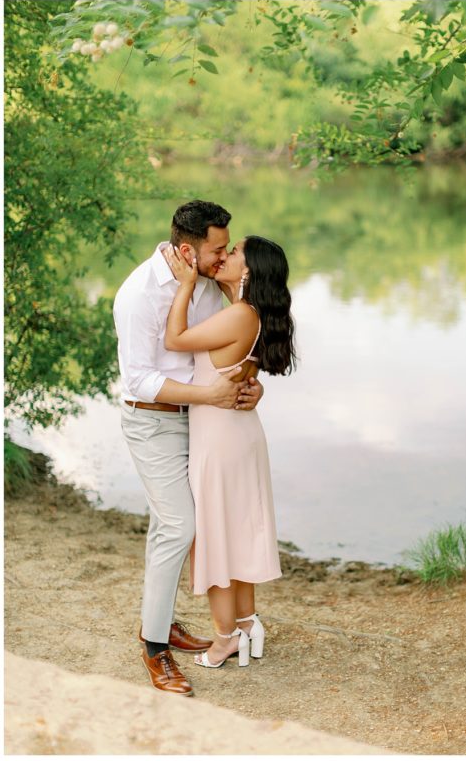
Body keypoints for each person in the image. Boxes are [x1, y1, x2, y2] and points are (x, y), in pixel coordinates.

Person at [112, 200, 264, 696]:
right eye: (217, 250)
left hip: (201, 424)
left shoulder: (208, 286)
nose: (223, 259)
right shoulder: (138, 295)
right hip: (153, 423)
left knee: (172, 526)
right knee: (180, 525)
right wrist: (211, 395)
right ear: (186, 249)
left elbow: (233, 347)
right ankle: (154, 648)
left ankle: (165, 622)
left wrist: (250, 384)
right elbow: (139, 380)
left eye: (226, 250)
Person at [163, 235, 296, 669]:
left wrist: (184, 284)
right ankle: (245, 623)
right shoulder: (251, 313)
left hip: (220, 440)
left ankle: (224, 641)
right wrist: (221, 279)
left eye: (233, 252)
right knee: (235, 535)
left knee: (216, 539)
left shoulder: (240, 316)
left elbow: (175, 338)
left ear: (250, 272)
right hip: (237, 435)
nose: (224, 256)